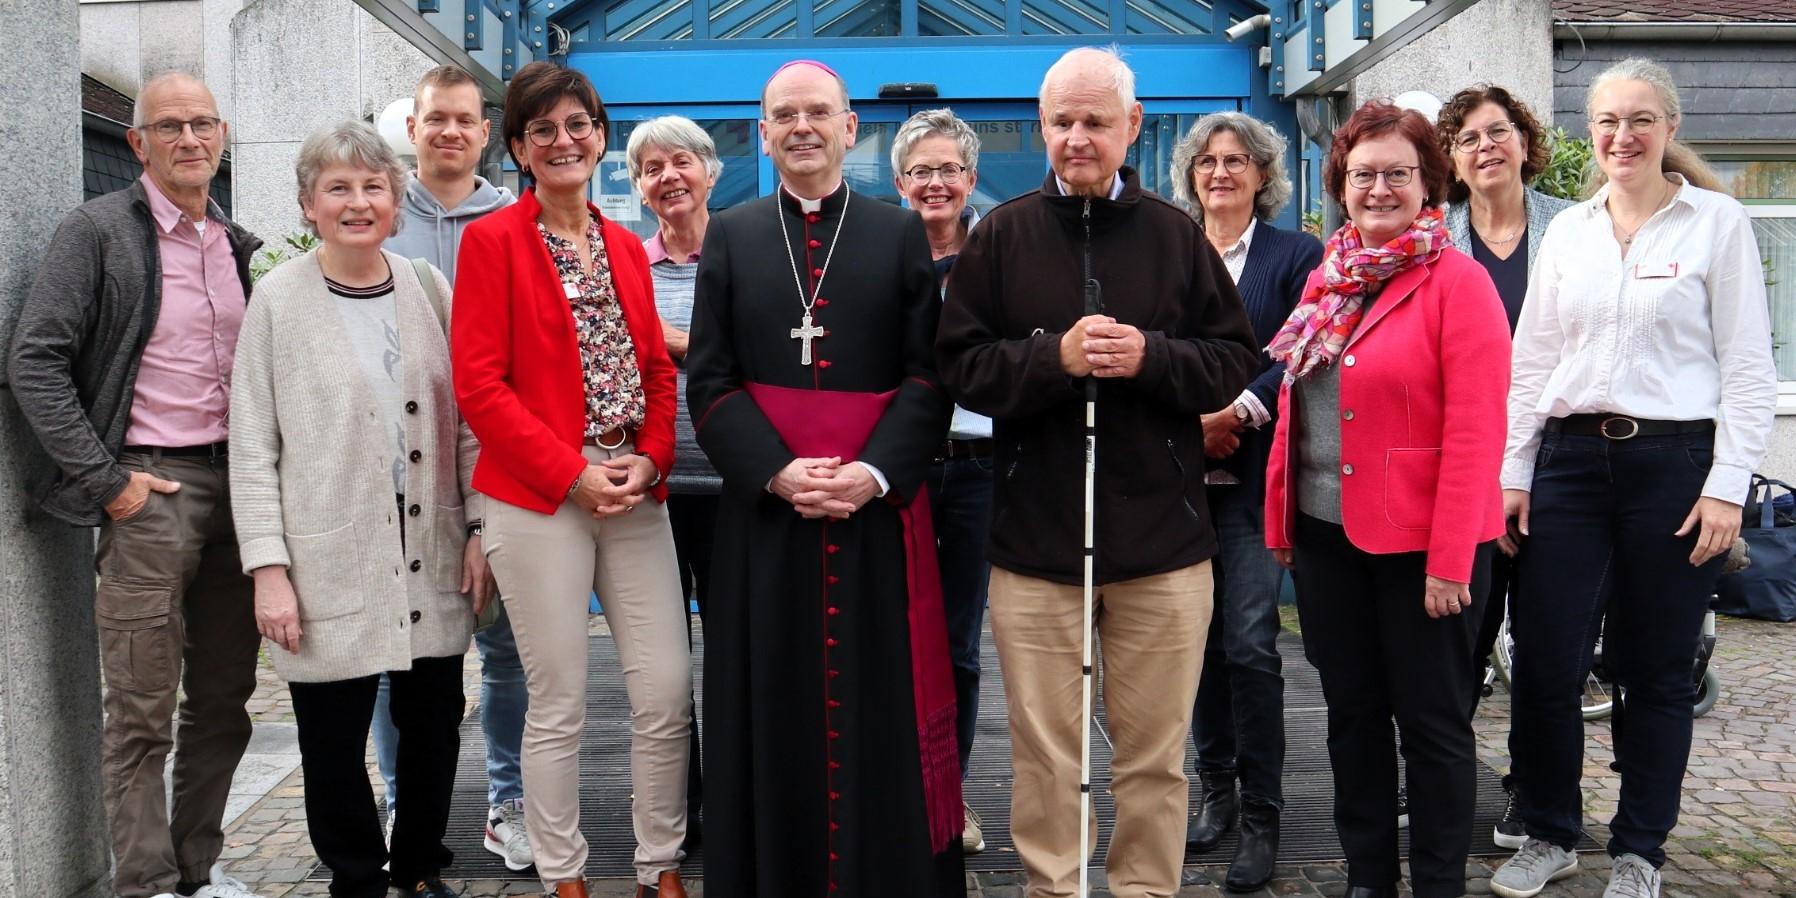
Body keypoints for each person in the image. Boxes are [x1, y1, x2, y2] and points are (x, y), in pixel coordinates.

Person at [937, 47, 1260, 898]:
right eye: (1062, 122)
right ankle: (1054, 888)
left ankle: (1146, 891)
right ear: (1043, 126)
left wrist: (1150, 358)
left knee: (1154, 756)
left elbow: (1232, 361)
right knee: (1048, 754)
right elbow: (960, 368)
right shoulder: (1000, 235)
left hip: (1161, 544)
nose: (1077, 138)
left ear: (1133, 126)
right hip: (1036, 543)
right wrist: (1053, 360)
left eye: (1095, 122)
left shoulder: (1174, 235)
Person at [1491, 59, 1778, 898]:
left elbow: (1749, 368)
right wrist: (1515, 471)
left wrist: (1728, 485)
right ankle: (1549, 831)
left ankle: (1640, 851)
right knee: (1545, 660)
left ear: (1670, 130)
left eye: (1641, 119)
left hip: (1675, 467)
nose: (1623, 135)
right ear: (1591, 132)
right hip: (1570, 464)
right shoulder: (1570, 233)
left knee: (1654, 669)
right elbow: (1532, 361)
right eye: (1609, 119)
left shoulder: (1717, 224)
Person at [686, 58, 963, 897]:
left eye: (818, 112)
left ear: (849, 128)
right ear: (763, 133)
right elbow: (709, 379)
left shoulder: (896, 230)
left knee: (877, 701)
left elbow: (930, 375)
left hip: (874, 516)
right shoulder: (731, 234)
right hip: (768, 521)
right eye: (784, 115)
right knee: (770, 699)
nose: (801, 127)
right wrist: (776, 473)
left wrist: (874, 472)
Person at [6, 72, 267, 898]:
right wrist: (109, 481)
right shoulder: (97, 233)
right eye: (170, 127)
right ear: (138, 142)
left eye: (202, 124)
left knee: (225, 700)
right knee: (143, 707)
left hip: (242, 491)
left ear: (222, 135)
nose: (190, 140)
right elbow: (32, 359)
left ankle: (200, 872)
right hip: (151, 487)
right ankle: (145, 885)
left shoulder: (240, 246)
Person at [452, 61, 692, 898]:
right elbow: (479, 385)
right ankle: (563, 872)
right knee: (559, 701)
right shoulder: (491, 241)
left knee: (664, 691)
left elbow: (658, 371)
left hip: (635, 486)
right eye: (543, 129)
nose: (564, 141)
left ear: (600, 137)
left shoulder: (625, 244)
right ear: (518, 147)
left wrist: (652, 458)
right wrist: (571, 476)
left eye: (578, 125)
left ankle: (659, 861)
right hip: (538, 496)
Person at [229, 121, 486, 898]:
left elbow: (468, 424)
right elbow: (252, 444)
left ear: (397, 202)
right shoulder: (277, 301)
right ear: (308, 204)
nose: (357, 202)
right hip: (326, 555)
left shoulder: (426, 288)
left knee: (435, 720)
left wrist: (478, 529)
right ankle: (356, 877)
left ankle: (418, 866)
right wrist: (268, 571)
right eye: (337, 187)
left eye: (373, 186)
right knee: (332, 735)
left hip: (430, 548)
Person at [1261, 99, 1511, 898]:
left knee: (1434, 727)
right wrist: (1283, 519)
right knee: (1351, 719)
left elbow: (1478, 431)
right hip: (1328, 535)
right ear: (1341, 183)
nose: (1378, 189)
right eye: (1363, 174)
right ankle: (1369, 878)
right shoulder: (1327, 277)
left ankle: (1438, 884)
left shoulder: (1458, 282)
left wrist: (1450, 561)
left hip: (1424, 549)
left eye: (1397, 173)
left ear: (1428, 182)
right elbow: (1298, 407)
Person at [365, 63, 529, 873]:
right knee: (400, 645)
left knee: (506, 645)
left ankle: (508, 800)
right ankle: (399, 793)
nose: (451, 132)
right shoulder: (380, 216)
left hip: (502, 460)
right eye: (437, 119)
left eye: (465, 119)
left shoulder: (518, 220)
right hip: (400, 467)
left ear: (486, 132)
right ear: (415, 127)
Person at [1169, 111, 1322, 892]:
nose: (1220, 172)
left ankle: (1264, 813)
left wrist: (1236, 416)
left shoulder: (1298, 255)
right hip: (1174, 480)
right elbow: (1147, 346)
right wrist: (1186, 426)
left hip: (1256, 477)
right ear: (1191, 174)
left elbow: (1301, 348)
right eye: (1207, 161)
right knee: (1194, 644)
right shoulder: (1167, 247)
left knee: (1253, 640)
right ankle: (1216, 792)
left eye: (1237, 160)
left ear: (1263, 175)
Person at [1434, 83, 1574, 851]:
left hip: (1560, 464)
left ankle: (1532, 794)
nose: (1486, 147)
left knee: (1547, 650)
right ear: (1452, 160)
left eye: (1499, 131)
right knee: (1456, 640)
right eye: (1468, 139)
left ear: (1524, 141)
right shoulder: (1437, 238)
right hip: (1464, 467)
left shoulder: (1576, 228)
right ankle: (1439, 777)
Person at [890, 106, 993, 855]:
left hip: (978, 469)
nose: (936, 183)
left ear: (970, 179)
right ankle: (891, 789)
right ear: (900, 183)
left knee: (956, 643)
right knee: (888, 636)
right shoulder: (877, 254)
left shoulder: (1001, 254)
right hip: (895, 470)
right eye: (921, 171)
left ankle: (947, 796)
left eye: (948, 170)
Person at [626, 114, 724, 846]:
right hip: (655, 492)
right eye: (650, 167)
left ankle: (733, 798)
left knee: (734, 656)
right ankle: (680, 808)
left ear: (710, 170)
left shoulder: (749, 253)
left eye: (680, 161)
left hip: (739, 490)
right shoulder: (627, 264)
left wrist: (677, 343)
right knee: (663, 665)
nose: (669, 177)